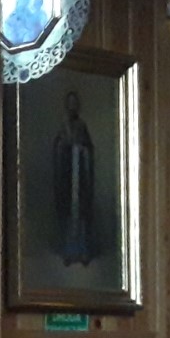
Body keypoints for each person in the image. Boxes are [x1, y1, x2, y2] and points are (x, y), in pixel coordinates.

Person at [52, 89, 96, 265]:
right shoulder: (63, 126)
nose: (72, 106)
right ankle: (68, 252)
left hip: (80, 175)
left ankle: (83, 252)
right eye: (70, 103)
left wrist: (83, 150)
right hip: (67, 174)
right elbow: (57, 147)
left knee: (82, 213)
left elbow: (89, 147)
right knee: (67, 213)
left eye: (75, 103)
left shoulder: (82, 126)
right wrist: (64, 147)